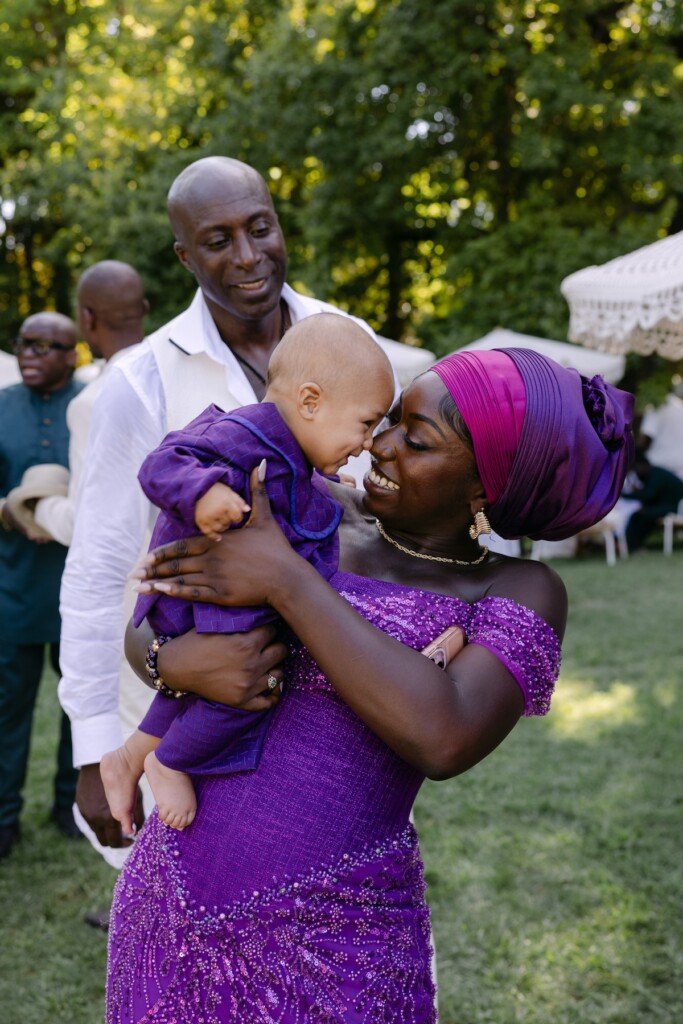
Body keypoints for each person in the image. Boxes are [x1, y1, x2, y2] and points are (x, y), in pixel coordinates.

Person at [106, 348, 634, 1021]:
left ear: (484, 486)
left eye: (414, 440)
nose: (377, 446)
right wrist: (170, 666)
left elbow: (442, 735)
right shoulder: (305, 503)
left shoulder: (517, 589)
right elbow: (156, 604)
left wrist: (285, 581)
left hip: (338, 945)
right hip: (172, 900)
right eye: (386, 422)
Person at [57, 156, 396, 858]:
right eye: (217, 241)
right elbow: (97, 572)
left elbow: (387, 505)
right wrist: (93, 753)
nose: (247, 256)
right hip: (187, 719)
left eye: (259, 228)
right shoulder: (140, 381)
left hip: (329, 719)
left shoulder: (349, 339)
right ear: (184, 255)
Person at [100, 313, 394, 832]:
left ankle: (130, 754)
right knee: (246, 686)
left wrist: (319, 472)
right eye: (366, 423)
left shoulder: (291, 452)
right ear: (309, 403)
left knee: (202, 687)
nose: (370, 441)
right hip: (201, 594)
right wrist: (204, 492)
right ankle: (169, 762)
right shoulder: (243, 432)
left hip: (221, 600)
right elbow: (162, 463)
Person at [0, 312, 83, 859]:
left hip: (78, 584)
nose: (30, 353)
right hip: (12, 584)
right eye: (24, 343)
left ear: (72, 353)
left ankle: (71, 804)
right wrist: (12, 511)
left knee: (79, 699)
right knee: (8, 702)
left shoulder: (92, 405)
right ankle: (4, 816)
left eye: (45, 345)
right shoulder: (2, 404)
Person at [31, 261, 149, 546]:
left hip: (136, 577)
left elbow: (85, 522)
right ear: (144, 308)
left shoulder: (93, 401)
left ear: (87, 318)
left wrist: (38, 506)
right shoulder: (178, 369)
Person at [623, 454, 683, 551]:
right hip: (666, 506)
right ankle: (630, 544)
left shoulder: (656, 475)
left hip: (676, 508)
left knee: (643, 515)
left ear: (644, 465)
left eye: (635, 468)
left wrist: (623, 495)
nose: (635, 472)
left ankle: (633, 545)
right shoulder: (651, 474)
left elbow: (648, 495)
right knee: (638, 515)